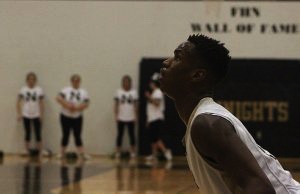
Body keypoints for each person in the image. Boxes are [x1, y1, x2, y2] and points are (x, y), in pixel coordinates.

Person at [160, 34, 300, 194]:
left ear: (197, 75)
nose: (166, 62)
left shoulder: (207, 124)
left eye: (177, 57)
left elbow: (260, 188)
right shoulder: (201, 120)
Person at [56, 74, 90, 160]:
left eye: (77, 81)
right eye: (74, 81)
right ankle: (61, 152)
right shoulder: (66, 90)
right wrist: (67, 106)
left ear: (80, 82)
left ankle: (82, 153)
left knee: (77, 135)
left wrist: (76, 108)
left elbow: (86, 104)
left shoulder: (84, 92)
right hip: (65, 116)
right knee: (65, 134)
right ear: (71, 81)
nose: (76, 82)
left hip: (77, 117)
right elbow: (58, 98)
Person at [145, 78, 172, 161]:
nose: (150, 85)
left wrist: (149, 97)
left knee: (156, 138)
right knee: (153, 138)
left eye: (151, 83)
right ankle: (154, 155)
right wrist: (148, 120)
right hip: (152, 119)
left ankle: (166, 151)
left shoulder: (157, 92)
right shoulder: (154, 93)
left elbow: (157, 103)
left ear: (154, 84)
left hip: (157, 118)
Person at [17, 72, 44, 155]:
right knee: (27, 132)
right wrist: (19, 113)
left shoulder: (39, 90)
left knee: (38, 132)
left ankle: (39, 150)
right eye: (29, 79)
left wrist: (41, 114)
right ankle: (26, 150)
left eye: (33, 79)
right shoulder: (23, 90)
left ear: (35, 80)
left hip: (36, 114)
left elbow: (41, 103)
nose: (31, 81)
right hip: (26, 114)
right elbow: (18, 102)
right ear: (27, 80)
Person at [114, 75, 138, 158]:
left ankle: (133, 152)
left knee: (132, 135)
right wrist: (116, 115)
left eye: (128, 82)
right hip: (121, 117)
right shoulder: (118, 92)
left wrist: (135, 116)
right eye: (125, 82)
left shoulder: (134, 92)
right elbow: (116, 104)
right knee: (120, 134)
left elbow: (135, 105)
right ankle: (117, 151)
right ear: (122, 83)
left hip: (131, 117)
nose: (126, 84)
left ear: (130, 83)